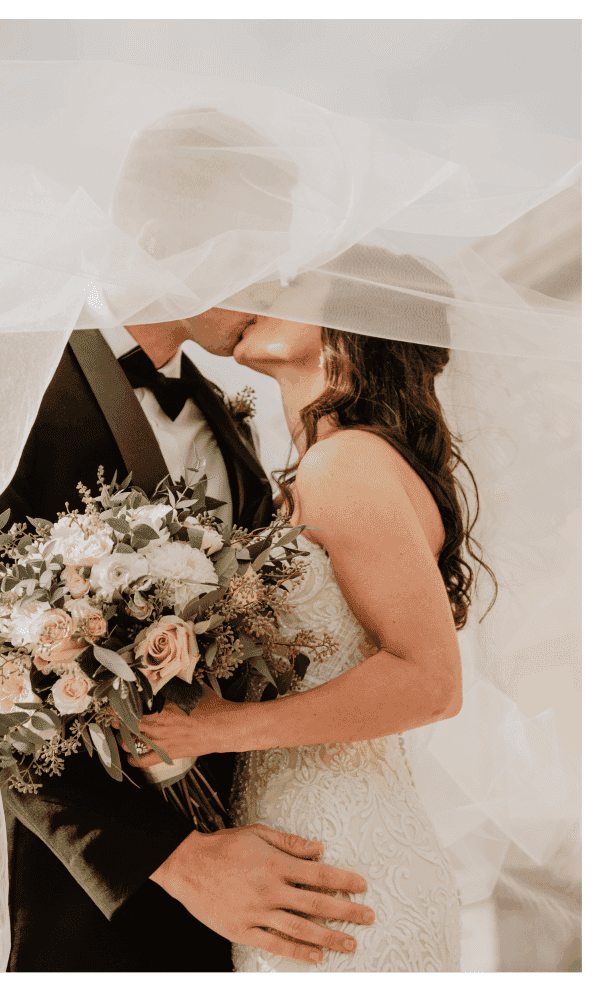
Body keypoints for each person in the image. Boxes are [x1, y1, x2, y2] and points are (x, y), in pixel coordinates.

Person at [0, 108, 376, 973]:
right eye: (250, 254)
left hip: (252, 890)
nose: (270, 285)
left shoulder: (232, 431)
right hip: (83, 901)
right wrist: (173, 862)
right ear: (155, 238)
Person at [130, 275, 489, 970]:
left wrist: (212, 729)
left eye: (295, 282)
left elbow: (431, 681)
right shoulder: (323, 468)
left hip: (342, 864)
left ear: (355, 321)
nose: (260, 287)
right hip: (305, 855)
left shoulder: (346, 462)